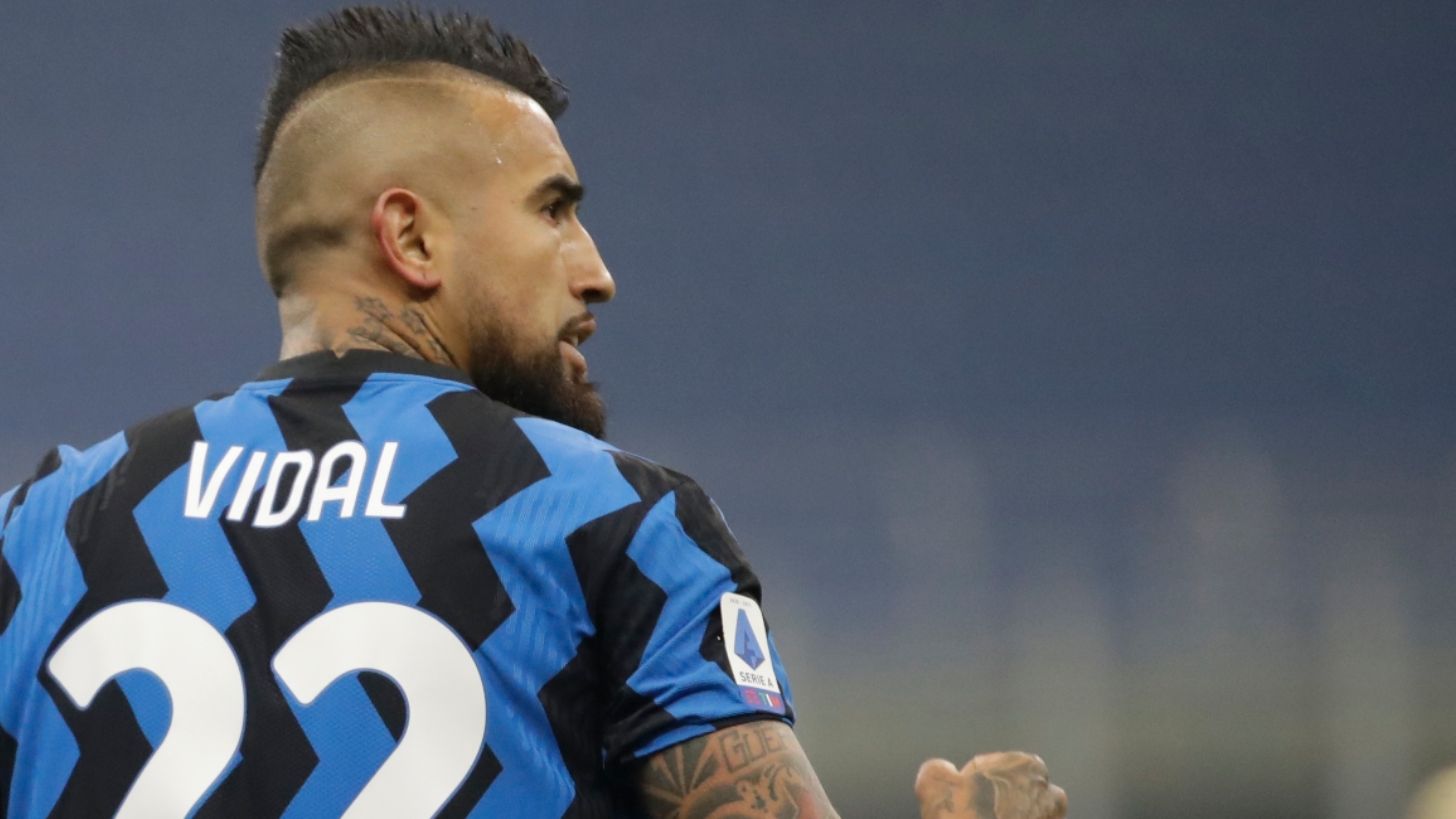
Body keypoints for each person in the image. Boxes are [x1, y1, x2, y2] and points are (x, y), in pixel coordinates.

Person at [0, 6, 1067, 817]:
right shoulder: (606, 521)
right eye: (552, 209)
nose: (596, 272)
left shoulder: (45, 527)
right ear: (411, 237)